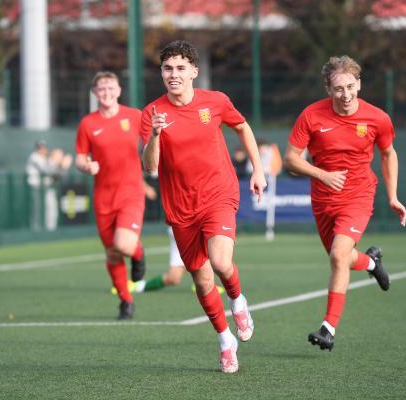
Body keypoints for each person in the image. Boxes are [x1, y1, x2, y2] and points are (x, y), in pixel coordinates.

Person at [141, 40, 267, 373]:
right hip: (181, 208)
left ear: (194, 72)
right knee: (202, 282)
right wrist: (154, 136)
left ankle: (238, 300)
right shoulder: (152, 113)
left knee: (221, 260)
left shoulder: (216, 101)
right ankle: (226, 340)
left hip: (218, 194)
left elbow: (242, 127)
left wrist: (258, 168)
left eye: (181, 68)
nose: (174, 74)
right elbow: (150, 167)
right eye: (168, 68)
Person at [283, 55, 406, 351]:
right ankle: (371, 261)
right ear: (328, 89)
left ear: (359, 84)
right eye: (339, 88)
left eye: (351, 86)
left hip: (358, 194)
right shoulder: (311, 116)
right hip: (323, 199)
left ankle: (328, 328)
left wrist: (392, 196)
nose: (346, 94)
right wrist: (322, 175)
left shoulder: (377, 118)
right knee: (342, 257)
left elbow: (388, 153)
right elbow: (290, 159)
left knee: (339, 256)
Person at [75, 71, 148, 320]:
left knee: (124, 244)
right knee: (113, 254)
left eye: (110, 88)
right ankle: (126, 302)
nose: (106, 92)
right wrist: (86, 165)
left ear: (118, 90)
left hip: (131, 192)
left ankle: (138, 254)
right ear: (95, 93)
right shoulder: (88, 123)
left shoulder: (134, 115)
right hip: (103, 197)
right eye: (101, 89)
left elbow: (152, 144)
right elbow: (79, 157)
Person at [133, 226, 225, 294]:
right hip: (181, 225)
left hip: (191, 224)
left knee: (173, 277)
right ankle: (140, 286)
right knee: (175, 277)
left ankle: (204, 283)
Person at [26, 141, 72, 231]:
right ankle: (36, 231)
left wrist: (63, 166)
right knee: (37, 211)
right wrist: (58, 161)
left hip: (47, 188)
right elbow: (47, 170)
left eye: (43, 147)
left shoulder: (46, 158)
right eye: (40, 147)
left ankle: (51, 231)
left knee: (51, 209)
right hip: (36, 188)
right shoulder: (34, 157)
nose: (42, 149)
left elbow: (59, 174)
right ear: (37, 148)